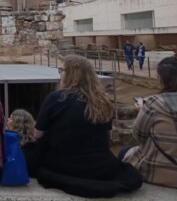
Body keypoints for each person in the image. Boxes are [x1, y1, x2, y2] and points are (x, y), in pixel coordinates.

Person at [31, 55, 142, 198]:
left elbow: (37, 134)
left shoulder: (55, 98)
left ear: (71, 75)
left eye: (62, 70)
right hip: (100, 167)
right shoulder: (102, 102)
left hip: (64, 164)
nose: (60, 73)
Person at [122, 54, 177, 188]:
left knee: (124, 152)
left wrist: (142, 111)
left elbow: (138, 136)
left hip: (160, 173)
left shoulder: (154, 103)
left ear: (162, 79)